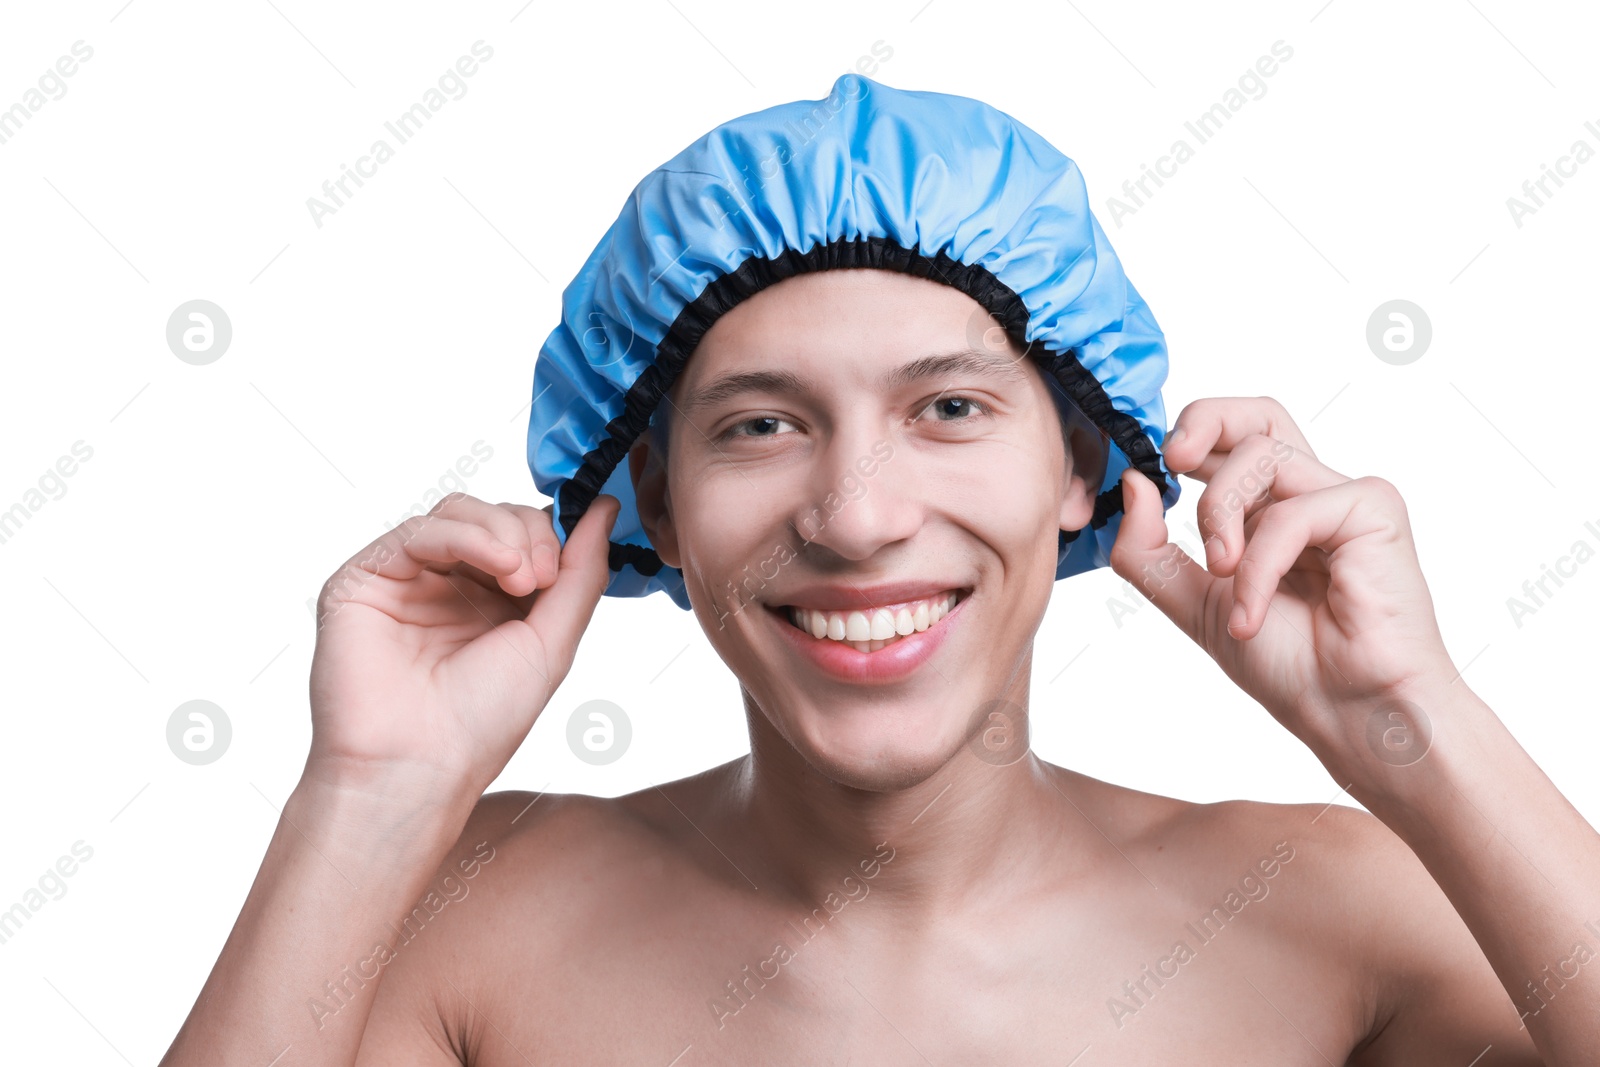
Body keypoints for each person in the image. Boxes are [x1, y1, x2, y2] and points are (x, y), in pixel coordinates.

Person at [162, 76, 1600, 1065]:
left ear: (1087, 467)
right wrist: (372, 797)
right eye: (761, 425)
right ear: (650, 490)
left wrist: (1417, 726)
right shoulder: (461, 911)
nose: (855, 516)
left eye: (951, 408)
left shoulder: (1336, 907)